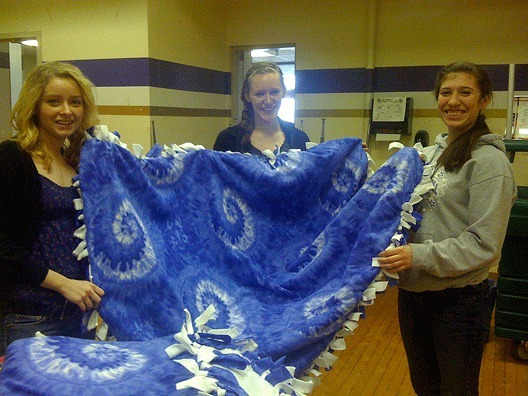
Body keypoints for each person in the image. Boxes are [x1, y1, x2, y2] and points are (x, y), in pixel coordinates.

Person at [377, 62, 516, 395]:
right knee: (425, 386)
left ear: (484, 100)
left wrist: (417, 254)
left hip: (459, 302)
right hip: (414, 295)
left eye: (465, 92)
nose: (454, 101)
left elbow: (484, 244)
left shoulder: (489, 163)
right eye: (446, 92)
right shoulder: (434, 153)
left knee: (456, 389)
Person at [0, 61, 106, 356]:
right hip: (29, 316)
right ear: (35, 106)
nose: (66, 111)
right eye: (53, 102)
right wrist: (63, 284)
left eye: (75, 102)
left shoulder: (75, 160)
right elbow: (4, 249)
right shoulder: (11, 158)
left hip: (77, 313)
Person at [213, 62, 310, 155]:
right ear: (247, 96)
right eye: (259, 94)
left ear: (284, 92)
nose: (268, 101)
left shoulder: (299, 139)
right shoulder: (227, 140)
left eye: (274, 92)